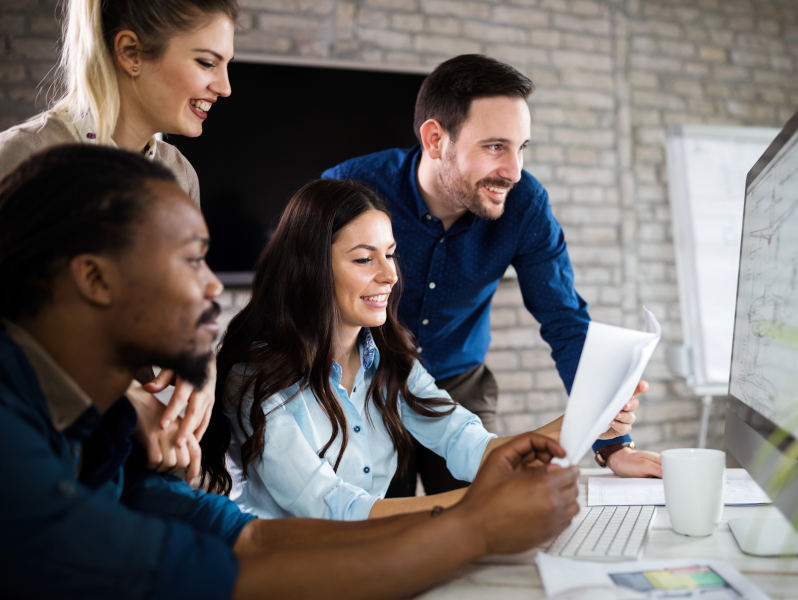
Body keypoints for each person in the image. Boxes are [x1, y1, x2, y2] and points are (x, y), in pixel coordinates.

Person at [0, 144, 580, 599]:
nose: (211, 286)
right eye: (190, 259)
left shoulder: (111, 434)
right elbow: (228, 573)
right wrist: (476, 523)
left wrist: (567, 438)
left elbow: (248, 539)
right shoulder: (16, 442)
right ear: (94, 279)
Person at [198, 177, 638, 520]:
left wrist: (588, 422)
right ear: (310, 269)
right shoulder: (256, 375)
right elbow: (332, 508)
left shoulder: (391, 360)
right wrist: (479, 508)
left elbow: (467, 443)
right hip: (296, 574)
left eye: (390, 255)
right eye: (364, 258)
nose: (390, 276)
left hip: (369, 559)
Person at [323, 54, 663, 495]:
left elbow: (564, 320)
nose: (514, 171)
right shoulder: (350, 190)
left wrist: (613, 443)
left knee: (487, 510)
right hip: (366, 390)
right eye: (495, 147)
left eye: (521, 148)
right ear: (434, 139)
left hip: (461, 385)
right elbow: (301, 297)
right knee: (384, 528)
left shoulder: (525, 204)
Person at [0, 0, 239, 481]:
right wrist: (121, 400)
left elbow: (182, 303)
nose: (225, 87)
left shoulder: (178, 175)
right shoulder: (22, 158)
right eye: (206, 62)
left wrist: (202, 369)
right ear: (130, 53)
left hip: (144, 455)